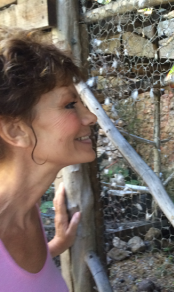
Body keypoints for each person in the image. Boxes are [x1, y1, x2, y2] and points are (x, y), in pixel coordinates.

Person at [0, 27, 97, 291]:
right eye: (69, 104)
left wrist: (54, 247)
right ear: (15, 131)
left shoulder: (25, 210)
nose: (91, 117)